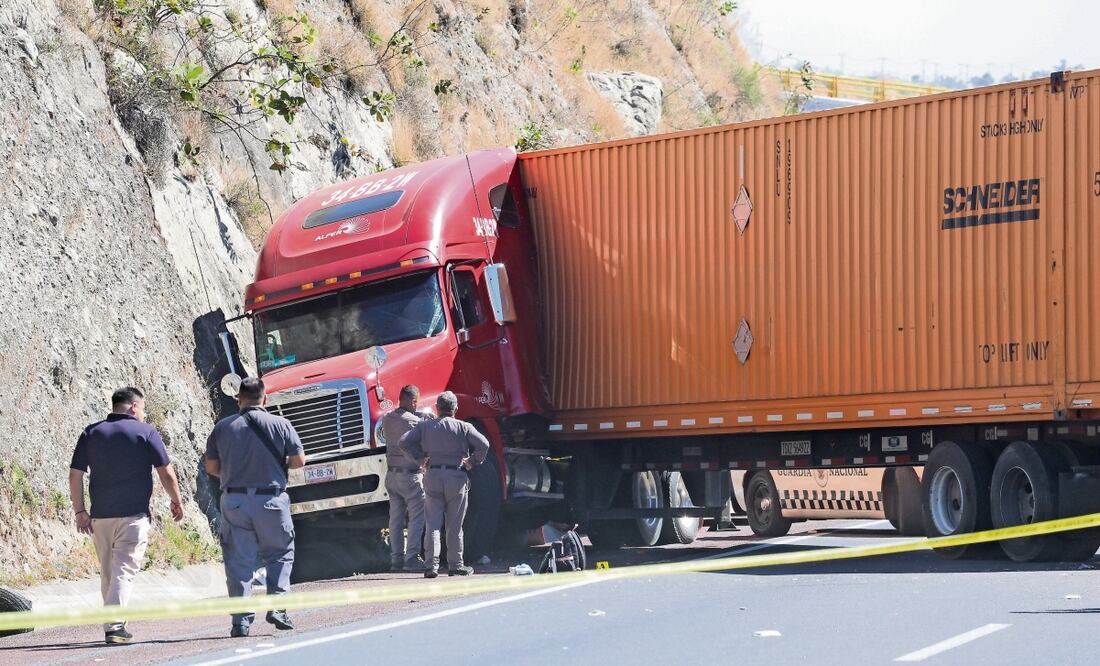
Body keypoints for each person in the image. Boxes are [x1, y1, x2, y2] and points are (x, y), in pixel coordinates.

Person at [68, 386, 185, 645]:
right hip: (133, 516)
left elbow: (75, 474)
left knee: (109, 572)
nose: (142, 414)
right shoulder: (146, 432)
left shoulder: (91, 432)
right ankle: (114, 625)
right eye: (142, 408)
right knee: (124, 570)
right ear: (134, 407)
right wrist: (176, 501)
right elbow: (166, 472)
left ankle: (117, 622)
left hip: (100, 517)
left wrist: (80, 511)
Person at [204, 376, 306, 638]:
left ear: (238, 398)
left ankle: (240, 621)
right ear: (265, 398)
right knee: (280, 553)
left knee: (238, 561)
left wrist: (236, 475)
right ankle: (278, 608)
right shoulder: (281, 424)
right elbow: (298, 461)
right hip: (271, 499)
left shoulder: (222, 428)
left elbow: (211, 468)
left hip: (234, 500)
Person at [399, 391, 490, 578]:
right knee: (454, 525)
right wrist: (472, 461)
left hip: (432, 475)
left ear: (437, 408)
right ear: (456, 408)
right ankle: (456, 565)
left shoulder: (425, 427)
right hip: (456, 477)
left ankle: (431, 566)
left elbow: (404, 442)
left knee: (432, 524)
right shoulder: (464, 427)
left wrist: (419, 459)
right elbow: (484, 445)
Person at [381, 385, 427, 572]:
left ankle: (396, 559)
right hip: (410, 476)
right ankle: (412, 557)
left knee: (396, 519)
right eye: (415, 402)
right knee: (417, 516)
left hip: (391, 476)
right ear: (411, 401)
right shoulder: (414, 422)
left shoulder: (387, 419)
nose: (416, 405)